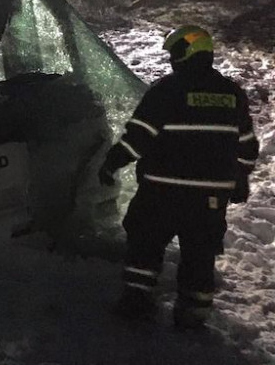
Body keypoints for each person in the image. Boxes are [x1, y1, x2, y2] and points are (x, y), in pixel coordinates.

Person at [98, 24, 258, 329]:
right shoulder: (232, 94)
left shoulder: (166, 91)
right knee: (200, 251)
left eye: (174, 52)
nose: (171, 59)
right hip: (210, 198)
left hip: (162, 192)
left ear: (185, 52)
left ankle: (137, 300)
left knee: (145, 242)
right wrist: (240, 178)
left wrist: (111, 163)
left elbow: (138, 137)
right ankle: (194, 312)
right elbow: (247, 146)